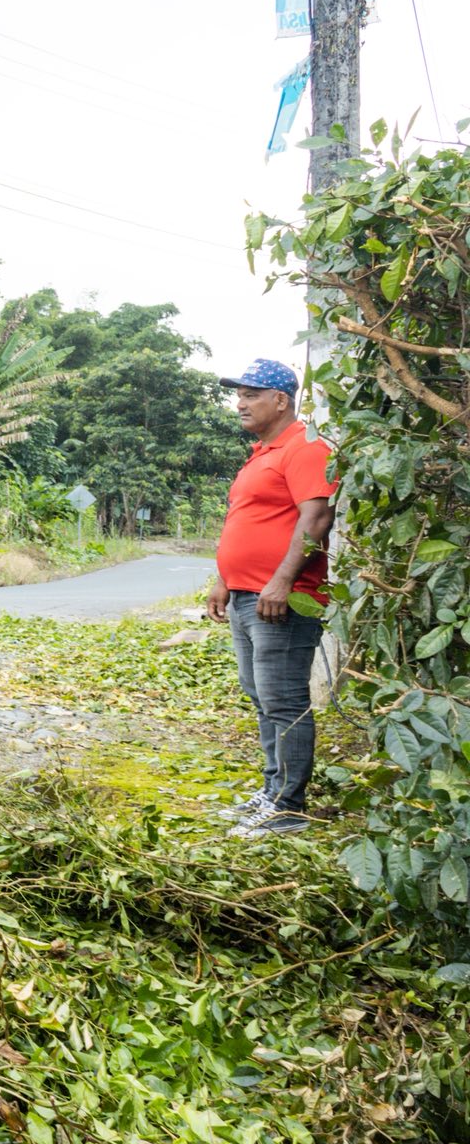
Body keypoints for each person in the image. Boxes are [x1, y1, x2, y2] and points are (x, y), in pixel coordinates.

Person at [206, 358, 335, 839]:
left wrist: (281, 582)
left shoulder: (304, 446)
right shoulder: (262, 453)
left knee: (284, 702)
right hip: (247, 597)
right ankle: (272, 790)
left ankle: (287, 809)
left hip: (282, 600)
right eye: (238, 395)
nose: (240, 404)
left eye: (251, 395)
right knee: (262, 698)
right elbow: (247, 522)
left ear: (280, 400)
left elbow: (316, 519)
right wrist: (224, 579)